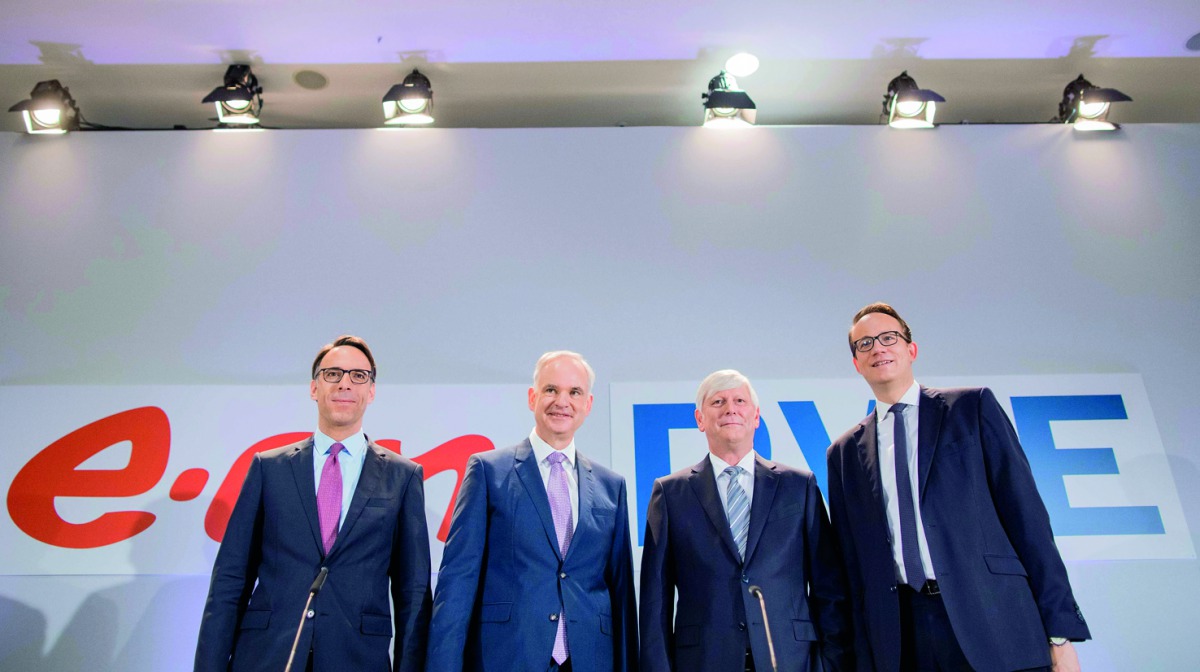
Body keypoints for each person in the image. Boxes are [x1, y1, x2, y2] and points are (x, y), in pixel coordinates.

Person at [826, 303, 1091, 672]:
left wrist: (1059, 634)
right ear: (856, 362)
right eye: (865, 343)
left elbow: (1028, 521)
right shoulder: (843, 453)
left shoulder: (971, 408)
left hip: (994, 619)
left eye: (889, 338)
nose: (878, 348)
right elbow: (852, 568)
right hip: (904, 635)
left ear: (911, 349)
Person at [195, 335, 431, 672]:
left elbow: (413, 592)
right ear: (313, 388)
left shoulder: (402, 476)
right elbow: (231, 579)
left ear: (372, 392)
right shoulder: (269, 468)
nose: (345, 384)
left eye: (358, 376)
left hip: (357, 658)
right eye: (332, 374)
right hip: (268, 656)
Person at [426, 351, 638, 672]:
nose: (561, 401)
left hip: (591, 659)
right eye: (551, 390)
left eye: (574, 392)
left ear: (588, 404)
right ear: (532, 397)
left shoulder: (612, 486)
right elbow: (458, 581)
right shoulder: (488, 471)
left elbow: (622, 593)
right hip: (506, 657)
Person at [640, 369, 851, 672]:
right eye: (718, 402)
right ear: (699, 419)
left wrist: (831, 664)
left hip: (792, 661)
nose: (730, 409)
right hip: (703, 662)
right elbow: (654, 601)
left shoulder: (798, 485)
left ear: (756, 417)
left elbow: (828, 588)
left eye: (740, 400)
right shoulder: (671, 493)